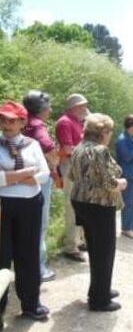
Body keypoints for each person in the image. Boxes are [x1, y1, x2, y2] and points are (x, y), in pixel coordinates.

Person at [68, 113, 127, 312]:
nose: (110, 134)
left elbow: (72, 175)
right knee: (104, 252)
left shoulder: (79, 147)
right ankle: (99, 300)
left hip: (80, 202)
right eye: (109, 130)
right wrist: (120, 183)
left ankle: (100, 290)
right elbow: (107, 183)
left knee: (95, 249)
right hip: (99, 205)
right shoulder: (100, 150)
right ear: (103, 131)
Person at [0, 101, 50, 322]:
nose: (5, 124)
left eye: (11, 120)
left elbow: (44, 173)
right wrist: (24, 175)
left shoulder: (32, 144)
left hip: (30, 204)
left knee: (28, 254)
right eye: (2, 119)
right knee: (1, 257)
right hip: (2, 205)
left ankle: (30, 304)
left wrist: (16, 177)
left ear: (23, 122)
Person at [23, 90, 57, 282]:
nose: (50, 110)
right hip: (39, 180)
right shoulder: (37, 126)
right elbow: (49, 148)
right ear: (41, 109)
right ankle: (39, 269)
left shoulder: (21, 122)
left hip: (18, 182)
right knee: (40, 224)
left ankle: (24, 265)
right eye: (48, 106)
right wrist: (54, 164)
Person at [56, 93, 89, 262]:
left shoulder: (77, 121)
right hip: (70, 166)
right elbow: (68, 149)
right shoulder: (64, 122)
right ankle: (70, 246)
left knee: (80, 204)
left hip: (78, 166)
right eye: (82, 105)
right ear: (74, 107)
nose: (85, 108)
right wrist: (89, 150)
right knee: (71, 206)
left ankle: (78, 240)